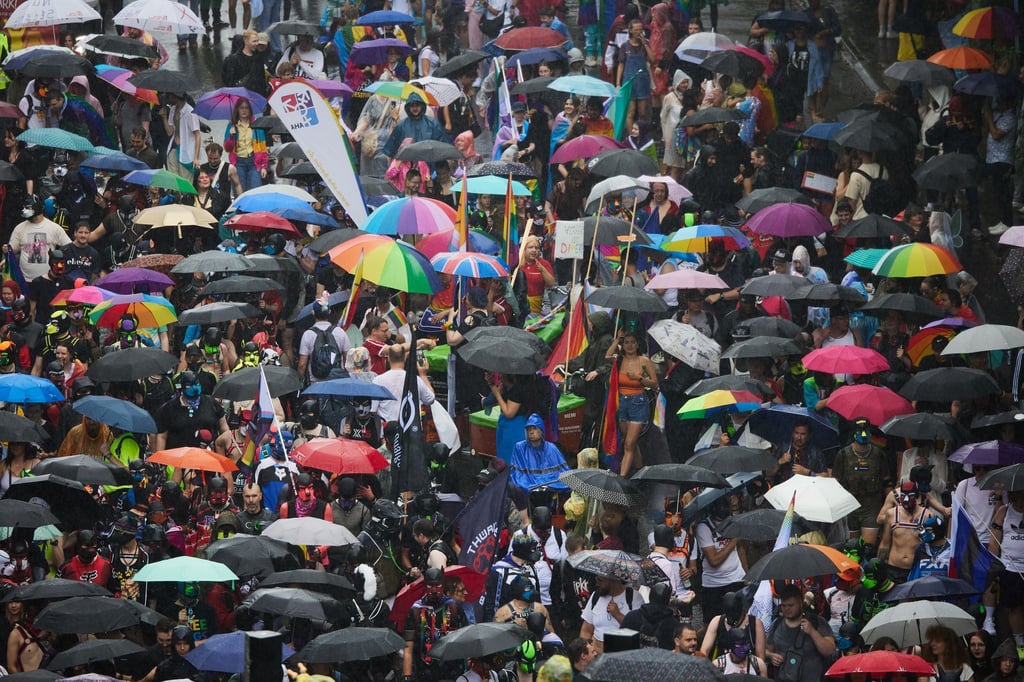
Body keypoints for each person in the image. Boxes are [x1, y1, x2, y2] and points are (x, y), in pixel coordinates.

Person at [605, 329, 658, 476]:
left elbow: (655, 383)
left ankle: (621, 478)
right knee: (629, 442)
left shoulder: (644, 361)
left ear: (637, 344)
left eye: (632, 342)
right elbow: (607, 356)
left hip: (638, 403)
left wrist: (639, 378)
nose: (629, 346)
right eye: (626, 342)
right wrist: (617, 340)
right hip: (622, 403)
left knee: (629, 444)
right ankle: (639, 471)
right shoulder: (619, 360)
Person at [831, 418, 892, 545]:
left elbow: (887, 482)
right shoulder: (843, 454)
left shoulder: (878, 454)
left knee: (868, 546)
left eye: (866, 430)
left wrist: (888, 507)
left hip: (872, 506)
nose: (863, 434)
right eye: (860, 431)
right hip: (849, 506)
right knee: (851, 545)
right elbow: (835, 482)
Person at [766, 583, 836, 682]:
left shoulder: (817, 622)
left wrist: (812, 632)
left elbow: (830, 651)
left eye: (791, 605)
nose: (787, 609)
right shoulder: (776, 624)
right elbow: (766, 650)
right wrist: (771, 656)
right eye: (783, 605)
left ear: (800, 603)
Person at [695, 498, 746, 622]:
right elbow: (714, 560)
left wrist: (746, 575)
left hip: (736, 579)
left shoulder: (733, 523)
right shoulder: (703, 527)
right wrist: (733, 541)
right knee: (712, 623)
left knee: (738, 620)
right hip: (713, 585)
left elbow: (740, 549)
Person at [878, 481, 937, 585]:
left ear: (917, 496)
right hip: (893, 569)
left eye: (910, 496)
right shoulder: (891, 514)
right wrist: (878, 564)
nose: (906, 499)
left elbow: (933, 546)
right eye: (903, 496)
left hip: (915, 570)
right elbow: (885, 543)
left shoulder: (927, 515)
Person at [579, 574, 644, 653]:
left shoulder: (634, 598)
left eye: (600, 581)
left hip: (623, 656)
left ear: (613, 580)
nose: (597, 584)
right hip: (597, 657)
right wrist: (586, 652)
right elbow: (586, 631)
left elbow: (638, 630)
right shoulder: (596, 596)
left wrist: (618, 615)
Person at [223, 98, 267, 193]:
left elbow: (263, 148)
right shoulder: (231, 125)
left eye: (246, 108)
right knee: (239, 193)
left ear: (250, 110)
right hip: (238, 162)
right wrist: (231, 136)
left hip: (254, 162)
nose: (243, 110)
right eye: (241, 108)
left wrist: (264, 166)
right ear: (237, 110)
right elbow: (227, 148)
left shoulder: (257, 125)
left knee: (256, 191)